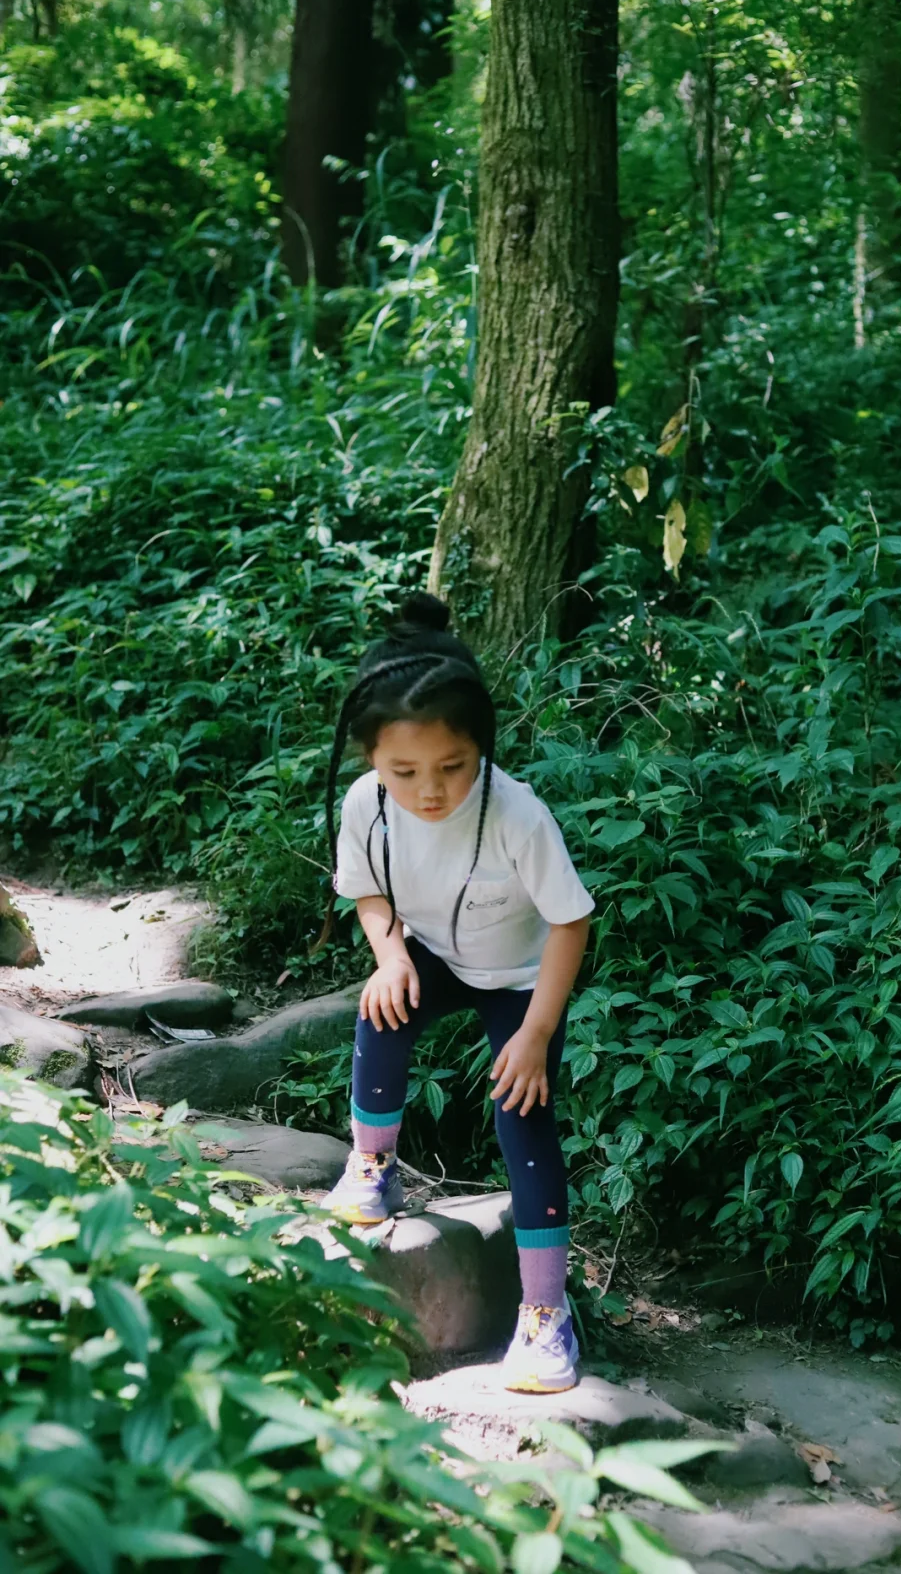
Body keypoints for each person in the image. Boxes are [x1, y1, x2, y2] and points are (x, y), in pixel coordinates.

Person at [319, 592, 593, 1394]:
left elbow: (571, 923)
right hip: (436, 951)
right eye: (404, 770)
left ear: (482, 748)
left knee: (523, 1110)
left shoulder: (517, 815)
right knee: (384, 1008)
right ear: (370, 754)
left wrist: (537, 1033)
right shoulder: (365, 805)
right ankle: (373, 1166)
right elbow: (366, 893)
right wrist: (389, 956)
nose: (429, 790)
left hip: (519, 979)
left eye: (453, 767)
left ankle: (546, 1316)